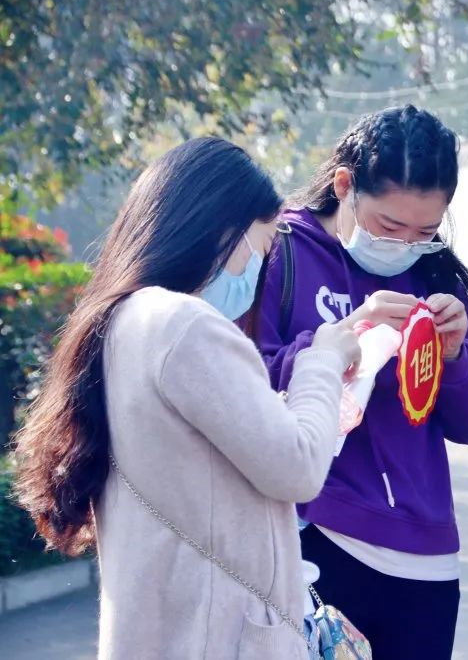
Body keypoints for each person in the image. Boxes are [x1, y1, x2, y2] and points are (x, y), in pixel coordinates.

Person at [12, 138, 361, 659]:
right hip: (216, 638)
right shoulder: (185, 324)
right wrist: (323, 360)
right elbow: (298, 467)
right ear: (223, 230)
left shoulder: (124, 320)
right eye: (261, 251)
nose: (258, 272)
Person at [255, 104, 468, 660]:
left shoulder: (435, 274)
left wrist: (455, 357)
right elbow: (244, 379)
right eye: (389, 226)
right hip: (321, 537)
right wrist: (342, 338)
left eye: (425, 231)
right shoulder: (281, 252)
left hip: (429, 556)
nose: (404, 243)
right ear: (345, 185)